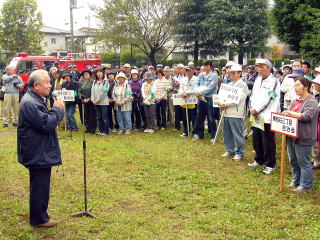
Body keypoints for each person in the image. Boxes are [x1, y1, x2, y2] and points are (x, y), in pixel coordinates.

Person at [17, 70, 65, 227]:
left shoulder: (35, 98)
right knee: (39, 186)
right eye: (47, 82)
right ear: (36, 85)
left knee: (40, 185)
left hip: (38, 149)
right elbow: (46, 124)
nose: (50, 86)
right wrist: (58, 109)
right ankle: (39, 219)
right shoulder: (31, 102)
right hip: (37, 152)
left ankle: (40, 216)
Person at [282, 77, 318, 192]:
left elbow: (306, 117)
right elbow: (290, 113)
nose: (295, 88)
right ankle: (296, 180)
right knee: (293, 160)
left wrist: (290, 113)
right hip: (291, 135)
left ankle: (306, 185)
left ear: (306, 87)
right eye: (295, 85)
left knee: (303, 161)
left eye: (298, 85)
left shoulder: (312, 101)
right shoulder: (295, 100)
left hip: (304, 136)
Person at [248, 59, 280, 175]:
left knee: (268, 140)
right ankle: (259, 159)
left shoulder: (274, 81)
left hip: (267, 116)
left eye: (262, 67)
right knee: (256, 138)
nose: (259, 69)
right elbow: (252, 96)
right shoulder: (257, 80)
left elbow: (271, 99)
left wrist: (258, 110)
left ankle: (270, 164)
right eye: (258, 67)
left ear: (269, 68)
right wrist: (252, 108)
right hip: (255, 115)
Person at [219, 64, 249, 161]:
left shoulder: (243, 85)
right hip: (226, 112)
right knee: (226, 133)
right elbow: (222, 96)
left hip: (236, 113)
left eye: (234, 73)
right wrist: (221, 102)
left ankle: (240, 153)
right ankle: (229, 150)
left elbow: (239, 99)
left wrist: (226, 104)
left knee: (237, 134)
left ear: (240, 73)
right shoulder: (229, 85)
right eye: (230, 73)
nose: (231, 74)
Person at [192, 60, 218, 141]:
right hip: (200, 98)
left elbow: (212, 87)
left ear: (210, 66)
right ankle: (200, 135)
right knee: (200, 117)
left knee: (211, 117)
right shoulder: (201, 74)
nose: (205, 67)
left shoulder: (214, 76)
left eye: (207, 66)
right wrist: (197, 91)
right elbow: (196, 84)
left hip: (209, 98)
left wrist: (201, 93)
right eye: (204, 66)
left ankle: (213, 136)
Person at [178, 66, 197, 137]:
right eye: (187, 71)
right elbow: (180, 88)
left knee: (194, 117)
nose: (188, 72)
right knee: (185, 117)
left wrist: (188, 93)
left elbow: (196, 88)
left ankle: (195, 132)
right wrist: (182, 93)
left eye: (189, 71)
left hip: (192, 101)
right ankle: (186, 132)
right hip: (184, 100)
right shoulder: (183, 79)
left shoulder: (196, 79)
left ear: (193, 71)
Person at [91, 68, 110, 136]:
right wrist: (93, 100)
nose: (99, 73)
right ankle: (101, 130)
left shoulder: (106, 82)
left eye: (100, 72)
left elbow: (105, 91)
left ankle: (105, 131)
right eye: (97, 72)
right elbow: (92, 91)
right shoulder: (94, 82)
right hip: (96, 102)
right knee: (99, 117)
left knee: (104, 117)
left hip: (103, 102)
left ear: (103, 73)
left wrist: (98, 99)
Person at [78, 69, 97, 134]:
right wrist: (82, 98)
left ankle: (93, 128)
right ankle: (88, 128)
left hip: (91, 101)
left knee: (92, 115)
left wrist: (89, 98)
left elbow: (94, 91)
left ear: (89, 75)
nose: (85, 75)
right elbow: (79, 91)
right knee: (86, 115)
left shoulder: (93, 82)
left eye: (87, 74)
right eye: (84, 75)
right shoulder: (82, 83)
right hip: (84, 101)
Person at [311, 75, 320, 170]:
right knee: (315, 142)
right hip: (316, 122)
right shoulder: (316, 95)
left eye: (316, 83)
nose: (314, 85)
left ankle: (317, 161)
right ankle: (316, 160)